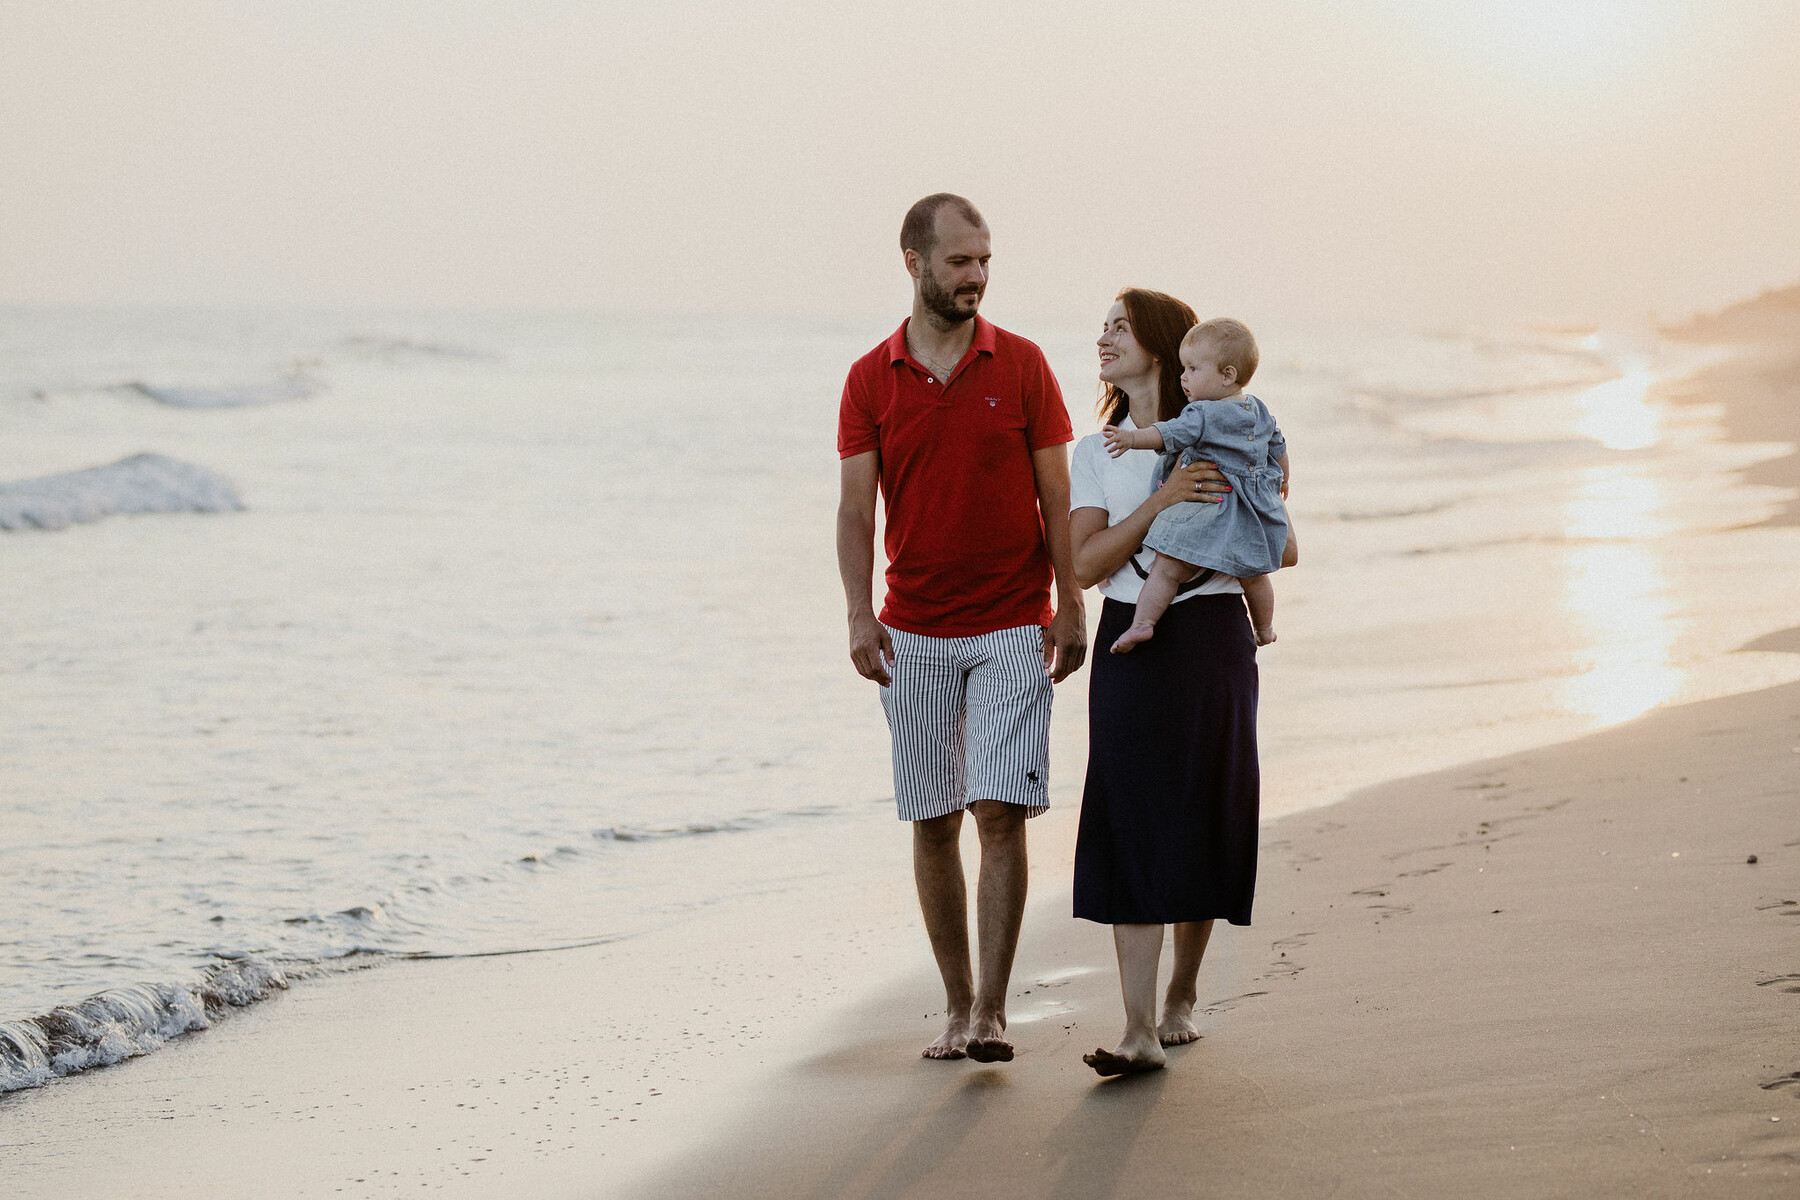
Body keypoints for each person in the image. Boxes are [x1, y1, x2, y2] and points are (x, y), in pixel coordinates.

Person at [836, 193, 1087, 1062]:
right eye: (959, 262)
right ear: (913, 262)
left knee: (999, 813)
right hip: (913, 633)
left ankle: (990, 1011)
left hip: (1015, 623)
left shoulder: (1021, 365)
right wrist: (860, 614)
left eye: (984, 261)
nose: (976, 277)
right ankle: (952, 1007)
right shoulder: (872, 378)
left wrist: (1071, 604)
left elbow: (1058, 498)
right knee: (933, 818)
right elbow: (853, 511)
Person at [1068, 288, 1294, 1077]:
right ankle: (1134, 1030)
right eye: (1102, 327)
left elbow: (1283, 538)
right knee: (1130, 818)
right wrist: (1165, 499)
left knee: (1204, 811)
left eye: (1118, 327)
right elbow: (1086, 565)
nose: (1102, 338)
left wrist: (1248, 502)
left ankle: (1180, 1001)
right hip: (1130, 638)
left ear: (1163, 347)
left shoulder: (1236, 426)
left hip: (1213, 636)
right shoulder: (1098, 450)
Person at [1102, 318, 1290, 652]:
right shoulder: (1260, 411)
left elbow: (1167, 434)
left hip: (1207, 513)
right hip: (1248, 514)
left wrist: (1131, 437)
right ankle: (1265, 627)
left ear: (1227, 374)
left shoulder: (1201, 412)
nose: (1183, 377)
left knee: (1166, 570)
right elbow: (1278, 450)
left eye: (1192, 369)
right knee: (1255, 576)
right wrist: (1282, 481)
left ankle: (1143, 624)